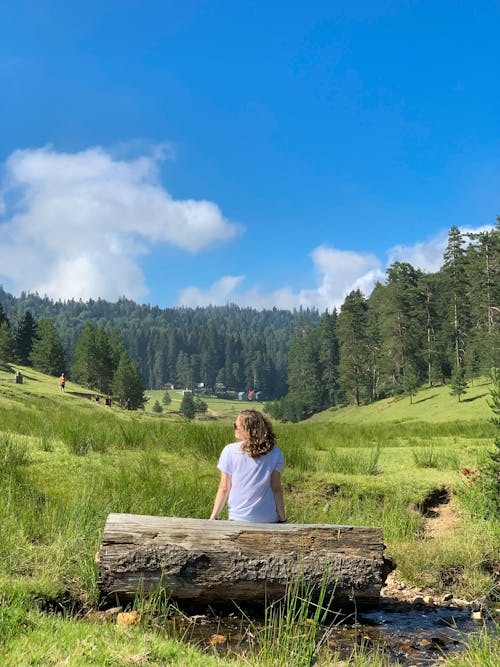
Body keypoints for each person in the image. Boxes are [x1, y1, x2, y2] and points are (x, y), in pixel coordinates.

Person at [210, 409, 286, 523]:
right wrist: (283, 518)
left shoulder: (229, 451)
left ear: (246, 429)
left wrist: (214, 516)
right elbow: (276, 488)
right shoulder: (275, 452)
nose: (234, 428)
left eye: (236, 425)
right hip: (267, 518)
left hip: (238, 518)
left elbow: (224, 488)